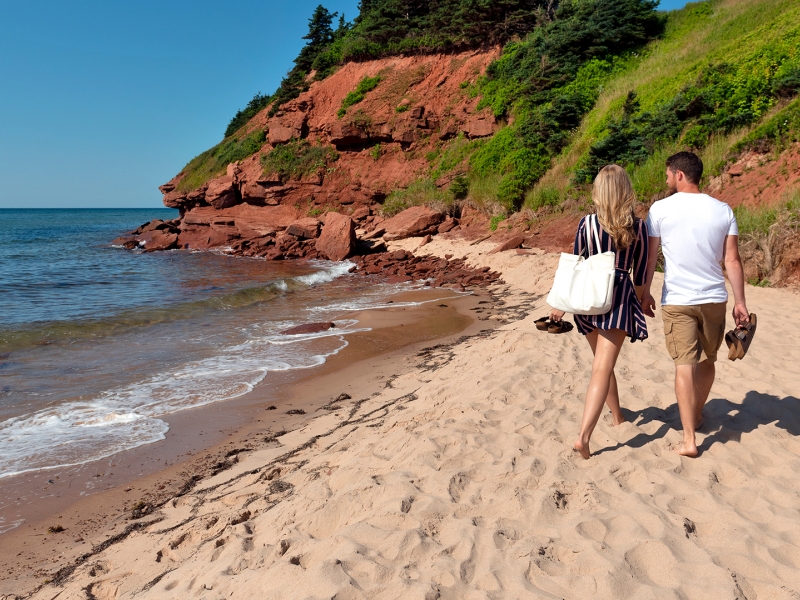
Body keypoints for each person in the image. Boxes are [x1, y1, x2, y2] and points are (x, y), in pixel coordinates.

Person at [641, 151, 749, 458]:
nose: (665, 179)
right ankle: (697, 412)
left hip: (677, 299)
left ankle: (689, 438)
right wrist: (740, 302)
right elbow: (732, 259)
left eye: (667, 174)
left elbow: (651, 258)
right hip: (714, 297)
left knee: (683, 365)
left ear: (679, 174)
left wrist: (645, 291)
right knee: (707, 361)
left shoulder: (660, 209)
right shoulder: (723, 209)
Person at [550, 165, 650, 459]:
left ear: (598, 191)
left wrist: (562, 303)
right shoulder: (638, 227)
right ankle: (583, 436)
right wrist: (643, 300)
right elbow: (641, 272)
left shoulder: (586, 224)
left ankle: (617, 418)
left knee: (601, 364)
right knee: (602, 368)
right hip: (618, 295)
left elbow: (577, 262)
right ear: (625, 190)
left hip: (588, 298)